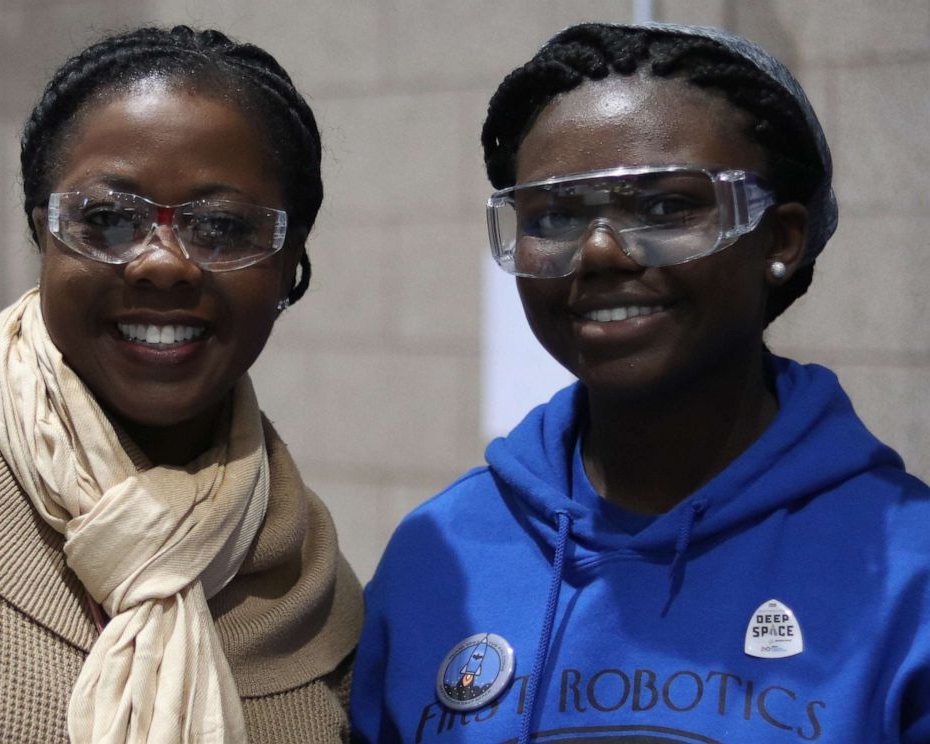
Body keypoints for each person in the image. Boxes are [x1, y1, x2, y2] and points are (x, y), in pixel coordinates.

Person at [350, 21, 930, 743]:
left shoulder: (910, 571)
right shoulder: (442, 555)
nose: (598, 251)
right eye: (555, 214)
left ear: (780, 239)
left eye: (663, 207)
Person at [0, 26, 362, 743]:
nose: (163, 264)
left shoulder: (315, 591)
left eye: (223, 227)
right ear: (40, 232)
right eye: (107, 219)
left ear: (290, 266)